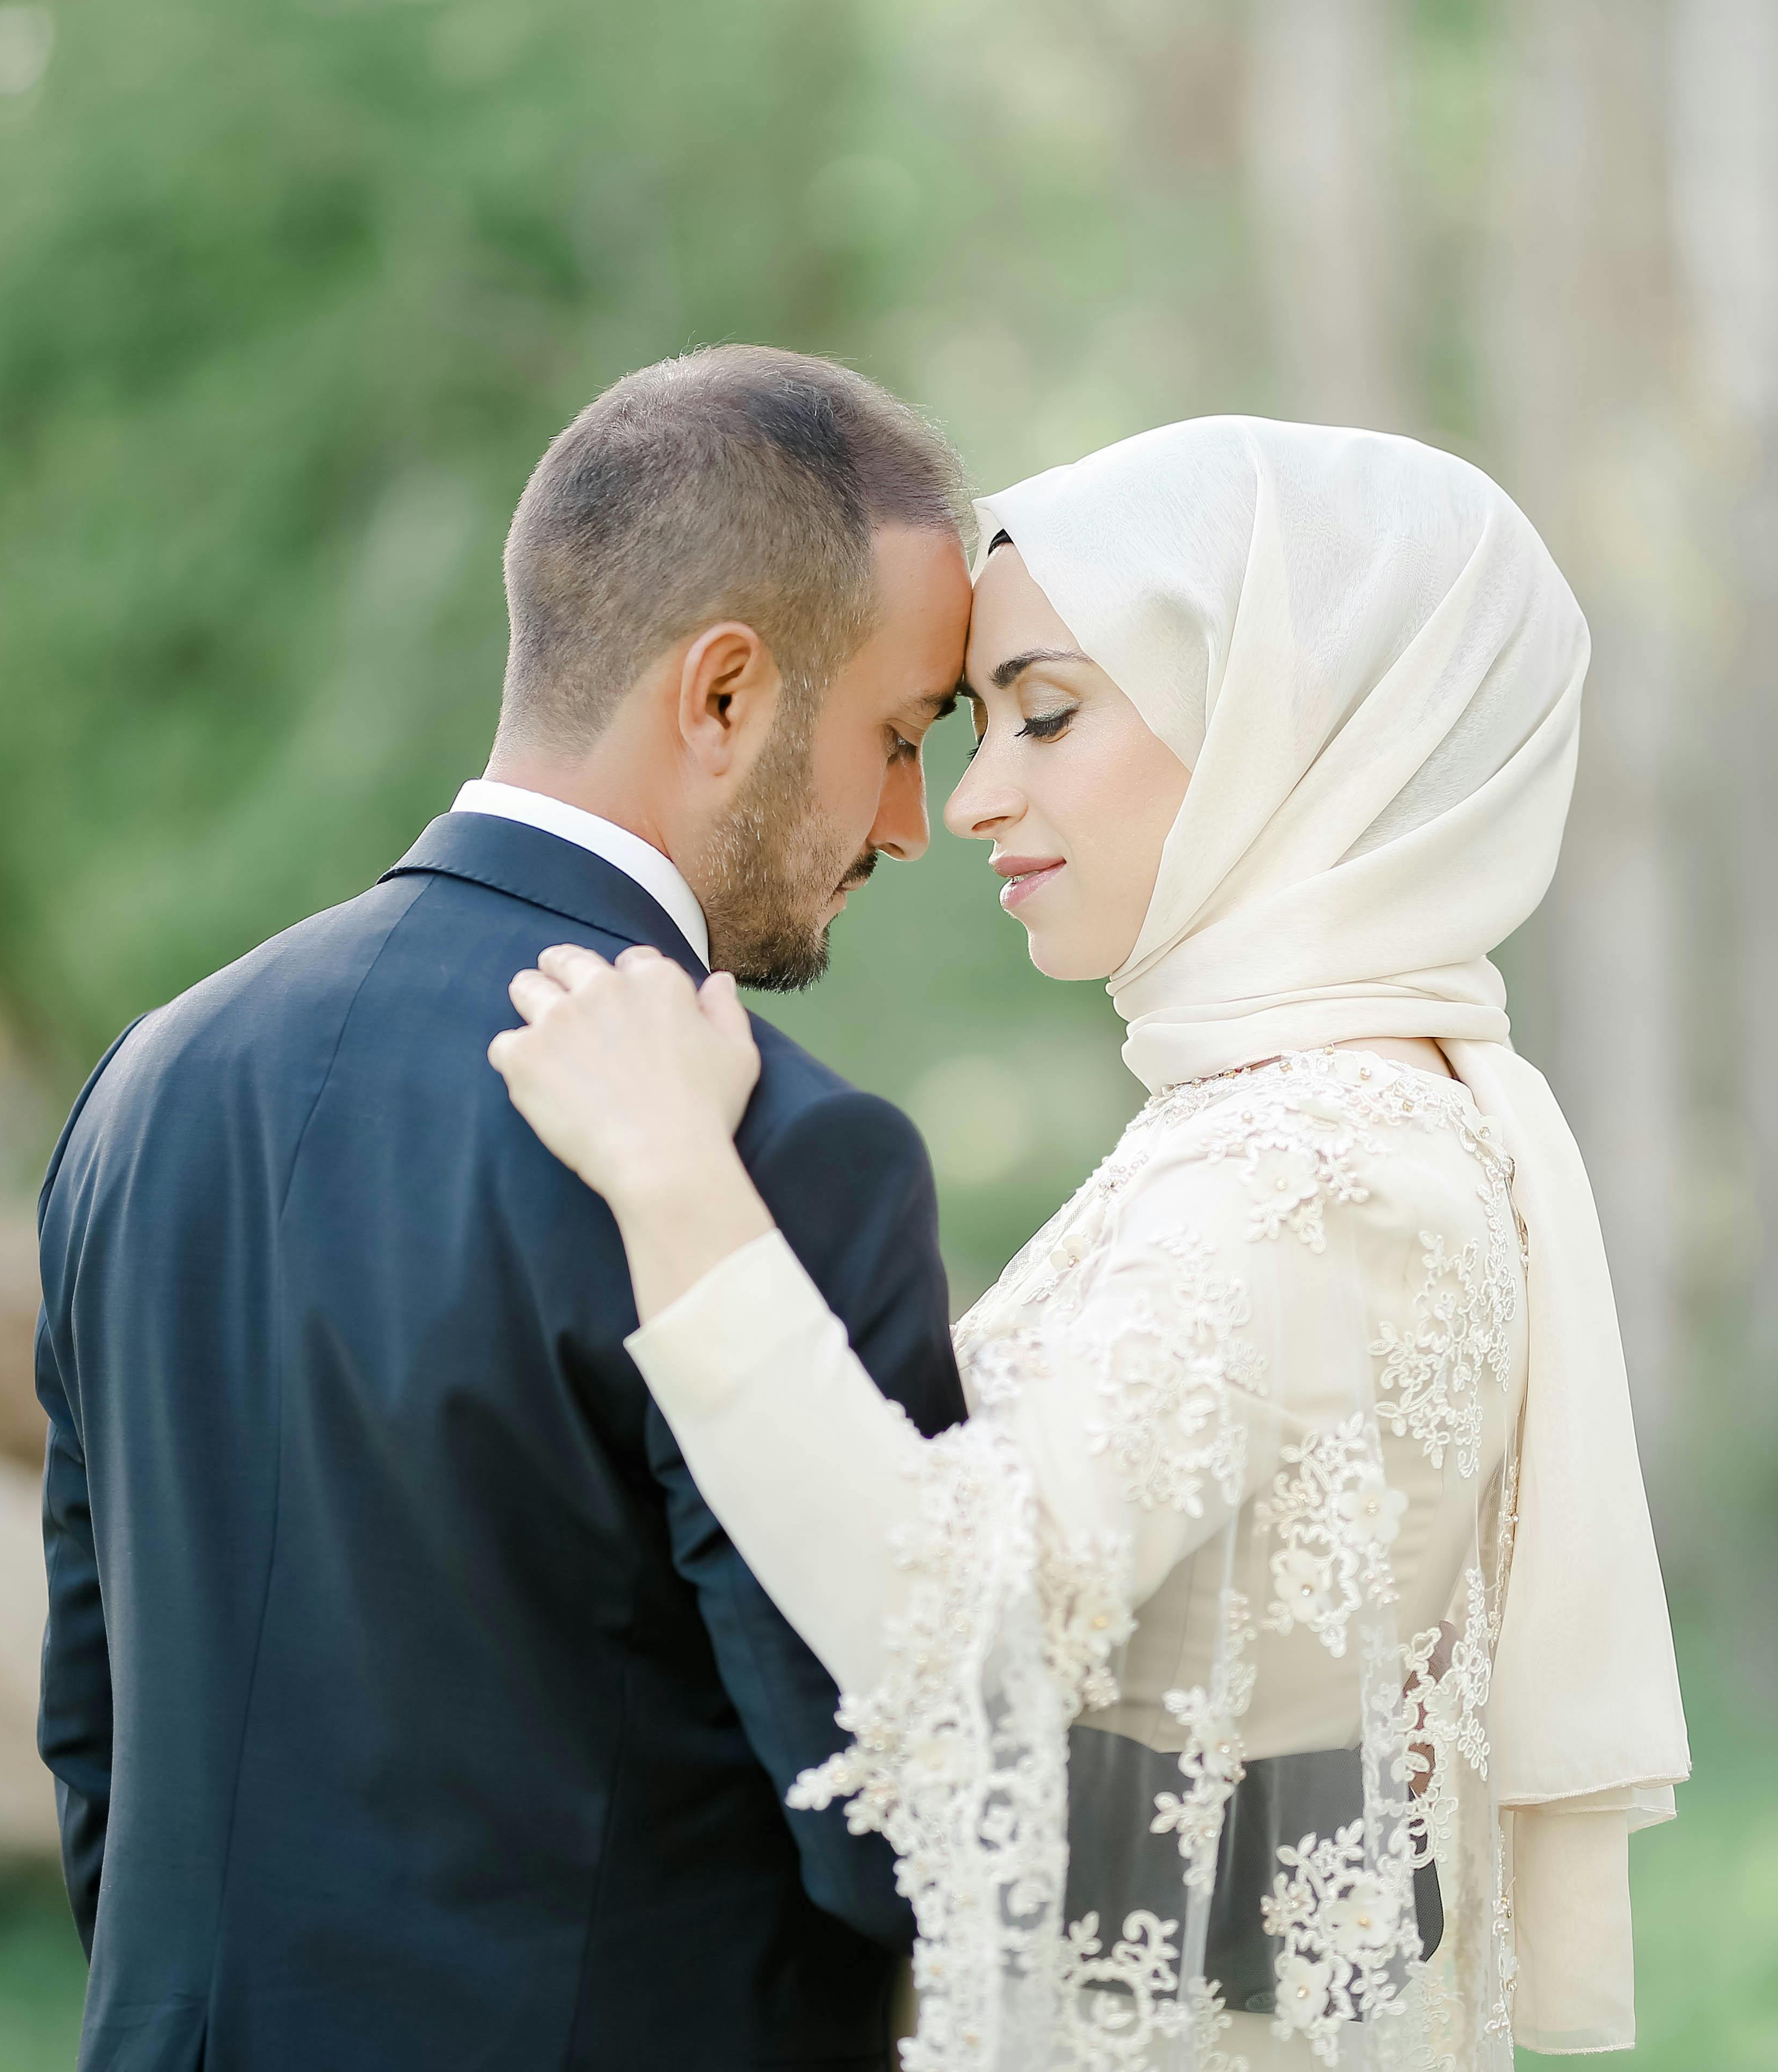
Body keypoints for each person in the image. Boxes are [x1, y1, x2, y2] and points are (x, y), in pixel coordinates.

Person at [491, 417, 1691, 2070]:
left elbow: (958, 1620)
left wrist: (671, 1174)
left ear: (1289, 730)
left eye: (1047, 715)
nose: (974, 801)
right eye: (977, 725)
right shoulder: (1305, 1129)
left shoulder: (1322, 1174)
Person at [32, 345, 976, 2071]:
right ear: (724, 697)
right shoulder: (793, 1156)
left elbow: (104, 1762)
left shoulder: (144, 1093)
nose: (910, 824)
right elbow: (892, 1840)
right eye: (901, 736)